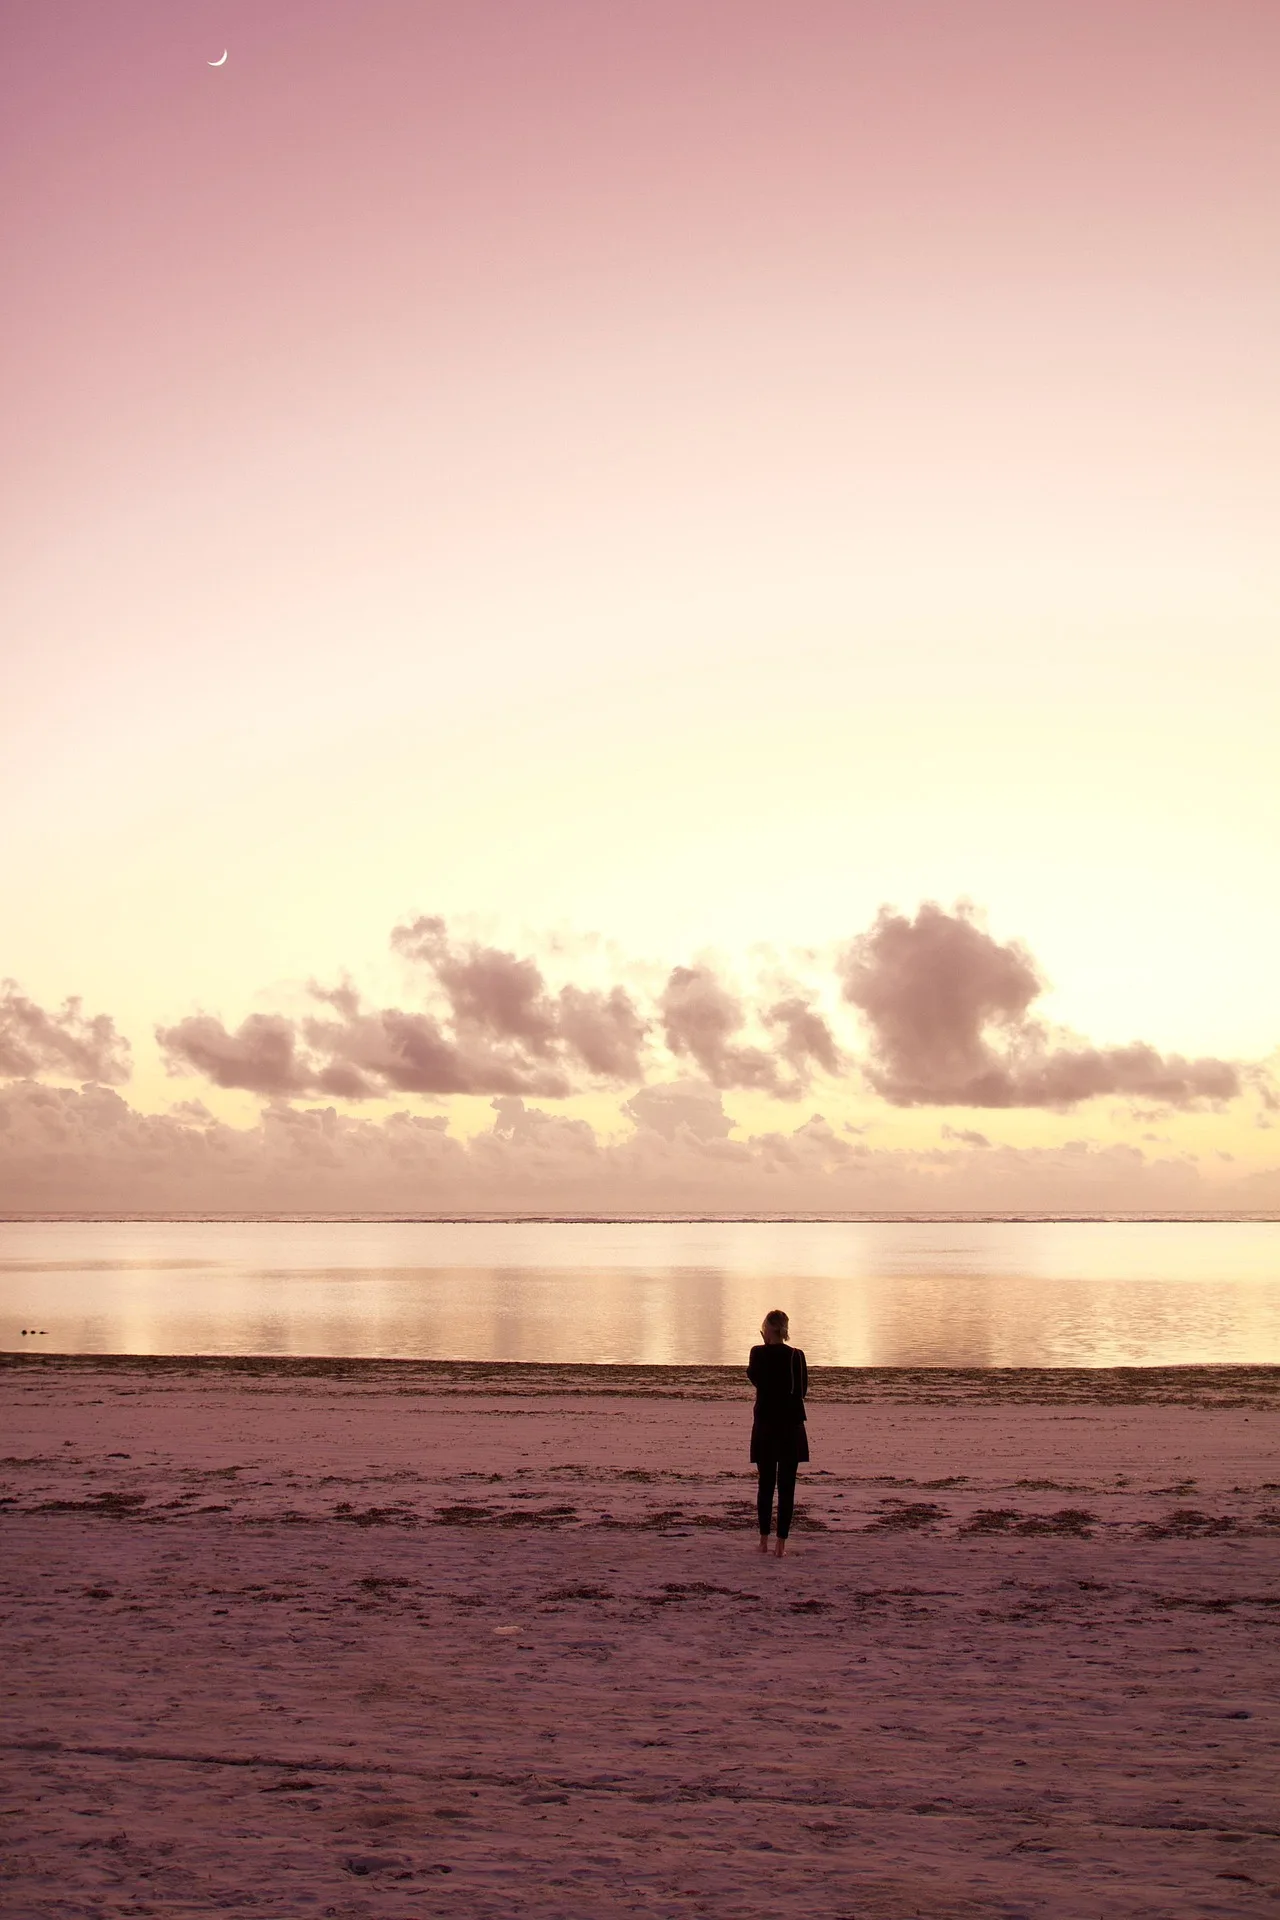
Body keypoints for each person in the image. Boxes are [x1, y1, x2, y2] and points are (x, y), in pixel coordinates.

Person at [747, 1309, 808, 1558]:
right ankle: (780, 1544)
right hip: (791, 1425)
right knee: (786, 1486)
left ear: (767, 1329)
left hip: (766, 1425)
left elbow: (756, 1379)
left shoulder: (758, 1353)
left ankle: (763, 1540)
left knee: (765, 1484)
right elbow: (802, 1389)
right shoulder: (796, 1355)